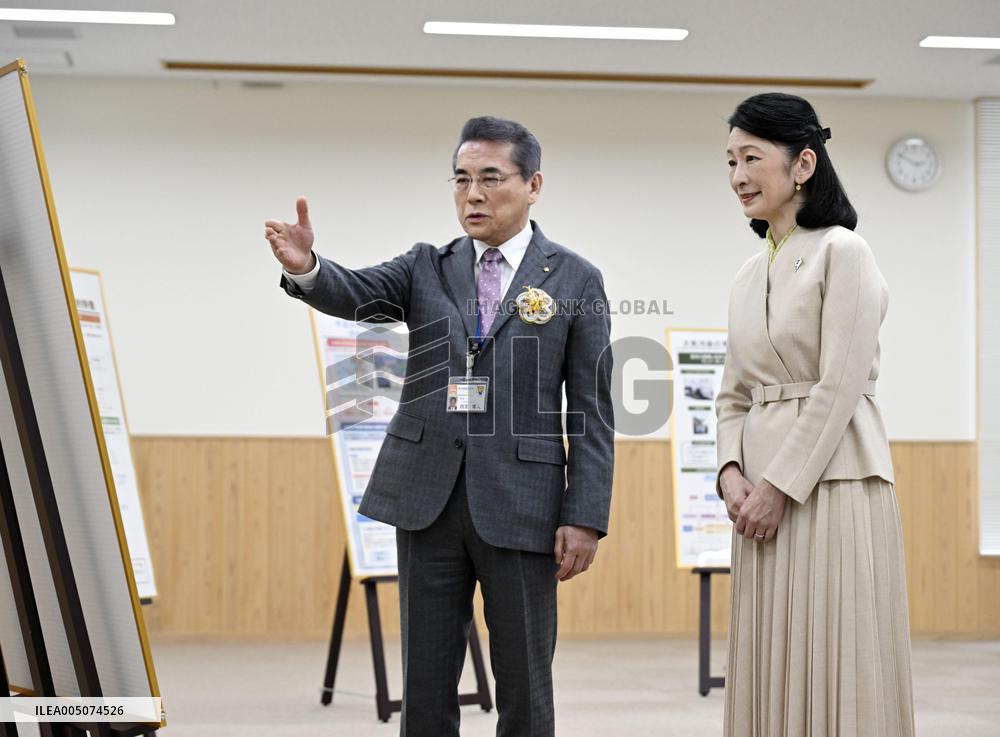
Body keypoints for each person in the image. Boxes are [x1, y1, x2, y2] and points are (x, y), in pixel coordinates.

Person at [265, 116, 614, 737]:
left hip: (524, 503)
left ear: (533, 185)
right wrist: (309, 267)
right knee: (425, 679)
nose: (472, 195)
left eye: (489, 179)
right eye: (460, 180)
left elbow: (591, 407)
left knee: (525, 679)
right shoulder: (427, 266)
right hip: (428, 497)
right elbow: (357, 292)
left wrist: (584, 515)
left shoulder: (575, 279)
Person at [716, 93, 915, 737]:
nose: (738, 175)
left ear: (803, 164)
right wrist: (732, 476)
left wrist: (778, 486)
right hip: (758, 500)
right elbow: (731, 394)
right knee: (769, 653)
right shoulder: (748, 272)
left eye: (751, 157)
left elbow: (840, 385)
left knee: (837, 649)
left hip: (833, 484)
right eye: (730, 160)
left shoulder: (843, 251)